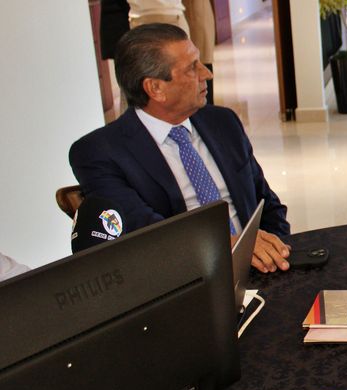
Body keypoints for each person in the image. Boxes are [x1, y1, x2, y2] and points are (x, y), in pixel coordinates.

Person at [70, 23, 292, 273]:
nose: (206, 74)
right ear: (155, 88)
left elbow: (268, 205)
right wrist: (230, 246)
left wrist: (277, 255)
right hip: (188, 279)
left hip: (261, 269)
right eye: (192, 68)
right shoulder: (98, 152)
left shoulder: (223, 122)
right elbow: (147, 234)